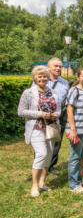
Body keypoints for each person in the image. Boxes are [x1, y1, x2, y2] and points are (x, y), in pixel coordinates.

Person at [18, 66, 61, 197]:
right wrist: (40, 114)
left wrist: (55, 115)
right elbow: (21, 112)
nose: (42, 78)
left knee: (48, 155)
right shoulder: (28, 93)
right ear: (35, 78)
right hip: (36, 128)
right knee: (41, 153)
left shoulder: (53, 93)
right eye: (40, 76)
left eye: (45, 76)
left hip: (50, 128)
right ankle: (34, 185)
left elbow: (59, 110)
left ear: (48, 78)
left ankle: (42, 182)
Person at [44, 58, 69, 175]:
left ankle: (51, 166)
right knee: (42, 143)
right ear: (48, 67)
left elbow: (67, 100)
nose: (58, 68)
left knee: (56, 143)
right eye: (56, 66)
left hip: (60, 117)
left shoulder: (65, 83)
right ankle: (40, 166)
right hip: (43, 117)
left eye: (60, 66)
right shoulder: (40, 80)